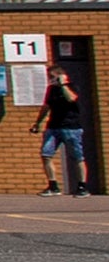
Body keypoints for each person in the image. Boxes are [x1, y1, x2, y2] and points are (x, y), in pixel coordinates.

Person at [41, 61, 91, 197]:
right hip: (53, 127)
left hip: (71, 127)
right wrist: (38, 123)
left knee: (77, 157)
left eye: (52, 77)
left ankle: (82, 186)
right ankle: (53, 185)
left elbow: (71, 99)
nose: (50, 80)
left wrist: (63, 84)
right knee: (46, 154)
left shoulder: (72, 87)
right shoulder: (51, 90)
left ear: (61, 76)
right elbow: (46, 107)